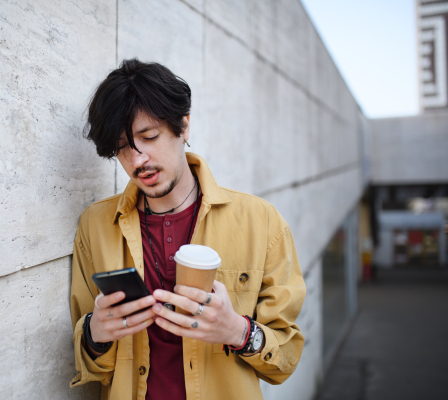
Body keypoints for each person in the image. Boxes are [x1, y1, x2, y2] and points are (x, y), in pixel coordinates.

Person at [69, 58, 305, 400]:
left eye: (149, 137)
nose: (137, 161)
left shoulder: (261, 222)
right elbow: (90, 365)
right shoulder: (96, 225)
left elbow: (285, 358)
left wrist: (237, 331)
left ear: (184, 126)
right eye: (122, 148)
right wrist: (95, 335)